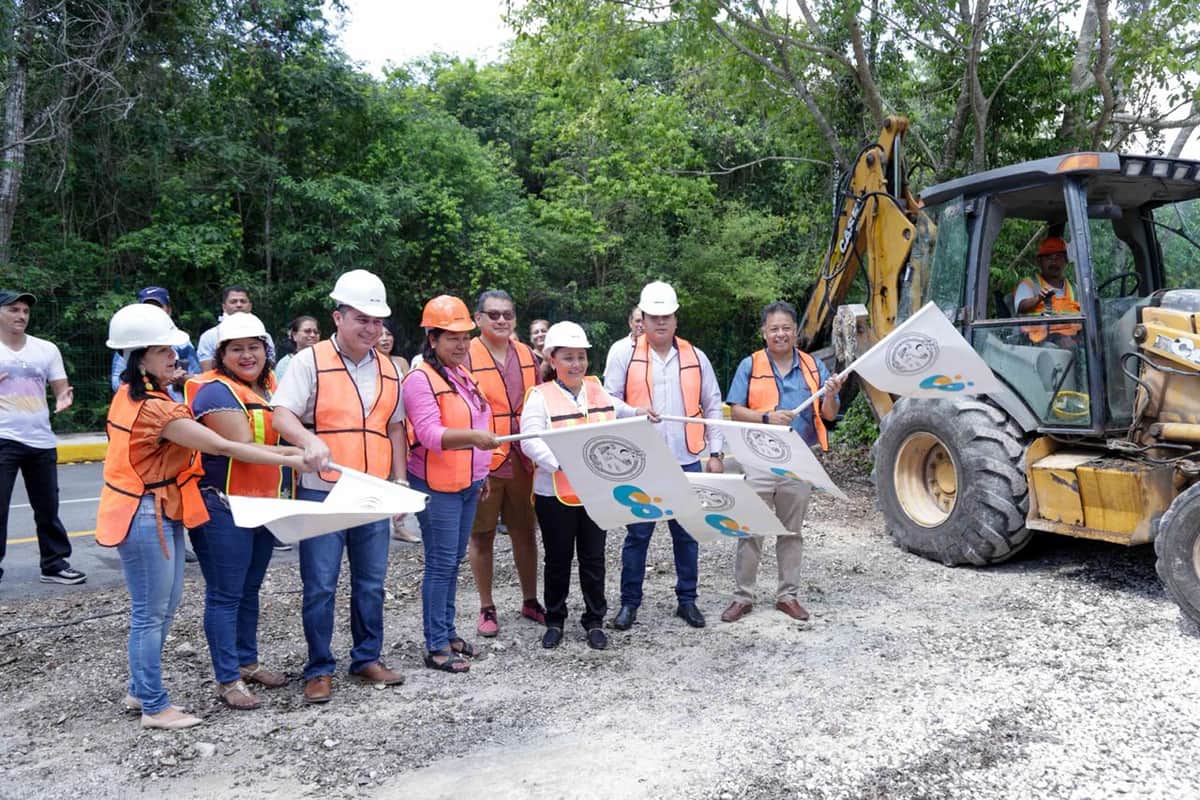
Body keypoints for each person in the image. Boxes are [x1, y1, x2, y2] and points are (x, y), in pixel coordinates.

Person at [97, 303, 306, 730]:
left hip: (161, 508)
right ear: (138, 357)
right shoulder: (159, 409)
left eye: (173, 348)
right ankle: (156, 704)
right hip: (149, 512)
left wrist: (293, 454)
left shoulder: (140, 395)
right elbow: (225, 446)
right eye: (163, 351)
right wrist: (298, 456)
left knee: (164, 608)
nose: (175, 356)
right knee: (154, 613)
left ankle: (144, 689)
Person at [271, 270, 408, 705]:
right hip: (321, 489)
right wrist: (309, 440)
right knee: (321, 584)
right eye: (361, 319)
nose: (371, 328)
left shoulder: (389, 368)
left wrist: (400, 479)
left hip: (371, 490)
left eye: (377, 321)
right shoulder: (309, 362)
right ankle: (319, 667)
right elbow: (282, 415)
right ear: (338, 316)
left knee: (371, 582)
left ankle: (367, 657)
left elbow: (396, 427)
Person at [521, 322, 655, 650]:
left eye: (581, 357)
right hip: (555, 493)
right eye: (568, 358)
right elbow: (529, 439)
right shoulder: (540, 396)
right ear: (553, 360)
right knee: (558, 559)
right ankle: (555, 619)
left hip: (595, 491)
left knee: (594, 559)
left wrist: (638, 412)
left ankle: (594, 620)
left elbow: (615, 408)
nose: (576, 364)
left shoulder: (595, 388)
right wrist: (562, 461)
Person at [603, 281, 725, 631]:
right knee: (637, 535)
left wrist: (715, 452)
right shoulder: (622, 353)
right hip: (640, 459)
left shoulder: (695, 357)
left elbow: (713, 404)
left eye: (666, 316)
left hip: (685, 456)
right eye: (653, 316)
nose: (660, 322)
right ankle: (629, 604)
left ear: (675, 319)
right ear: (642, 317)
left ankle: (687, 600)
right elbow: (607, 399)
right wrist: (633, 411)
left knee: (686, 533)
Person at [184, 313, 291, 710]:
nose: (247, 355)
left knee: (249, 590)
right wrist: (300, 453)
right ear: (222, 354)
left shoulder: (269, 388)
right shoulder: (213, 391)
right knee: (226, 594)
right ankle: (227, 679)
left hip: (260, 502)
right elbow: (242, 441)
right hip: (222, 505)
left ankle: (247, 662)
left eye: (254, 347)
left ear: (267, 349)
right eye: (237, 349)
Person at [721, 300, 843, 623]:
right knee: (751, 530)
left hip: (797, 461)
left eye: (786, 328)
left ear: (795, 332)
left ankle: (787, 596)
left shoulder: (814, 367)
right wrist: (766, 417)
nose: (780, 334)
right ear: (764, 332)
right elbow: (735, 410)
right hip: (758, 460)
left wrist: (830, 394)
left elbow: (829, 415)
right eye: (774, 328)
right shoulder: (750, 365)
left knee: (792, 532)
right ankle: (742, 596)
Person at [403, 295, 500, 673]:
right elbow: (429, 433)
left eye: (465, 337)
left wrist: (483, 471)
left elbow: (476, 424)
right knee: (441, 563)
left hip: (468, 482)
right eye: (451, 338)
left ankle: (447, 631)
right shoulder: (419, 379)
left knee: (453, 560)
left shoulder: (462, 374)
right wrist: (476, 442)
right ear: (432, 339)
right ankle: (435, 645)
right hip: (437, 483)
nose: (461, 345)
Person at [463, 290, 545, 637]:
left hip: (523, 458)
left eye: (507, 315)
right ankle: (486, 605)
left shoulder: (527, 355)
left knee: (526, 532)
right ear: (478, 318)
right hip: (484, 459)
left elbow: (541, 402)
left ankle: (530, 600)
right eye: (493, 315)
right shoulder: (464, 355)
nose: (501, 321)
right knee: (481, 536)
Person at [0, 289, 84, 587]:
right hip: (3, 437)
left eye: (25, 311)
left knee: (48, 508)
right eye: (14, 309)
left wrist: (63, 398)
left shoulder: (45, 349)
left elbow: (61, 386)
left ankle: (53, 563)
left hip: (41, 438)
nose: (21, 315)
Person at [110, 287, 201, 403]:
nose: (152, 312)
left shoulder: (182, 343)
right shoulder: (130, 343)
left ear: (169, 310)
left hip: (177, 404)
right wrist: (155, 382)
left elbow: (197, 377)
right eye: (161, 350)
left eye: (157, 307)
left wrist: (181, 379)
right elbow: (117, 383)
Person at [376, 319, 419, 543]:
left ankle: (399, 523)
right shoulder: (370, 364)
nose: (385, 338)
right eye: (381, 334)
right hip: (380, 425)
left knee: (401, 475)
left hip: (403, 423)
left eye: (389, 334)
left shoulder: (401, 362)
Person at [1013, 235, 1081, 347]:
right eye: (1049, 257)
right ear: (1039, 261)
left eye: (1058, 257)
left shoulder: (1075, 289)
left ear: (1066, 261)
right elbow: (1020, 306)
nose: (1054, 262)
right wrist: (1038, 299)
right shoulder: (1029, 285)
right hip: (1038, 346)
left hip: (1074, 343)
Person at [197, 286, 275, 370]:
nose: (239, 305)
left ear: (250, 306)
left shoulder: (263, 335)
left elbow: (269, 367)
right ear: (224, 307)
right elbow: (207, 371)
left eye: (243, 301)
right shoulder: (209, 336)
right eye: (233, 302)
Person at [274, 315, 320, 380]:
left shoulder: (323, 360)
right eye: (307, 331)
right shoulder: (285, 364)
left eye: (316, 332)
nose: (313, 335)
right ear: (294, 335)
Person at [603, 305, 644, 378]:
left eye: (644, 321)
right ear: (630, 323)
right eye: (638, 321)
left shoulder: (656, 349)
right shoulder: (618, 349)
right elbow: (611, 383)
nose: (641, 325)